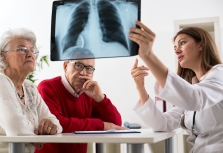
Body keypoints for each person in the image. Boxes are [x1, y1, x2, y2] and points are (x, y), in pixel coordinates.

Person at [130, 21, 223, 153]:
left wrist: (148, 56)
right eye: (175, 47)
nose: (177, 50)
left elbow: (195, 99)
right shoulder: (194, 87)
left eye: (182, 43)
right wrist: (140, 87)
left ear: (201, 45)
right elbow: (162, 124)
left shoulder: (220, 73)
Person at [0, 28, 63, 153]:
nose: (30, 54)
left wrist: (51, 127)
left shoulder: (30, 88)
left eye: (32, 50)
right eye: (22, 49)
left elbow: (56, 124)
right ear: (4, 56)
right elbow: (17, 129)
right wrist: (40, 133)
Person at [35, 47, 126, 153]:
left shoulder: (90, 93)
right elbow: (57, 123)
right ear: (65, 66)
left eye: (89, 68)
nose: (83, 73)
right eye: (78, 65)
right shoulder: (47, 87)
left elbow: (115, 124)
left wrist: (100, 98)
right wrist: (100, 125)